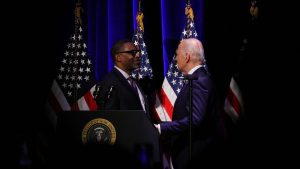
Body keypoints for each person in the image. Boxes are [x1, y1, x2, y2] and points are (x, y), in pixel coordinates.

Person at [155, 38, 221, 169]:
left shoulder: (199, 81)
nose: (176, 58)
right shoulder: (198, 78)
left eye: (177, 54)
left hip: (195, 153)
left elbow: (195, 119)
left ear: (187, 56)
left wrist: (162, 128)